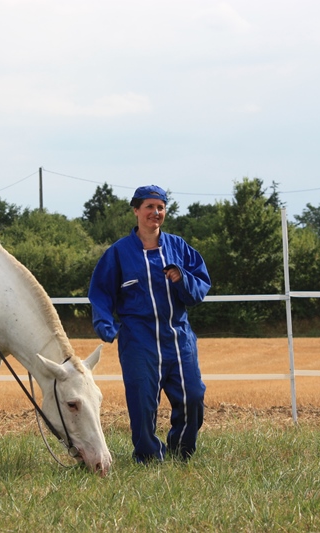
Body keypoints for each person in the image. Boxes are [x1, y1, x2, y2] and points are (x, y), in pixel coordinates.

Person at [88, 185, 211, 463]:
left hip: (179, 338)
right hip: (139, 341)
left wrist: (183, 279)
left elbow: (201, 285)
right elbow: (101, 293)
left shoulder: (179, 248)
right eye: (149, 207)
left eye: (160, 207)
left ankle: (181, 451)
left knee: (193, 397)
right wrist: (106, 325)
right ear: (136, 211)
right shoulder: (119, 253)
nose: (155, 213)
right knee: (143, 404)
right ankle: (148, 456)